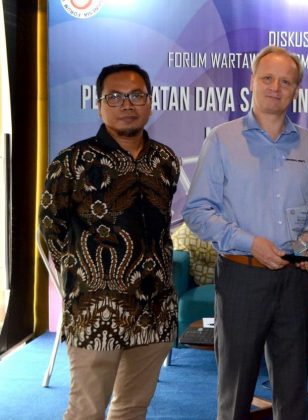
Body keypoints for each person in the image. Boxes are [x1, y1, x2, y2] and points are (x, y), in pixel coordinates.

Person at [182, 45, 308, 420]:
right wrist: (250, 243)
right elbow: (197, 211)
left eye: (286, 81)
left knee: (293, 393)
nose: (275, 88)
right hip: (242, 276)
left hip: (295, 280)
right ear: (252, 82)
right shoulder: (222, 138)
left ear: (296, 90)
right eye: (268, 78)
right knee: (236, 392)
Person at [39, 64, 180, 419]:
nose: (127, 105)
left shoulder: (165, 160)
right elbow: (51, 228)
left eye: (136, 96)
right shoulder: (71, 162)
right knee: (86, 411)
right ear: (99, 104)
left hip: (155, 310)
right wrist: (86, 278)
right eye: (114, 97)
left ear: (150, 102)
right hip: (95, 313)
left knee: (132, 408)